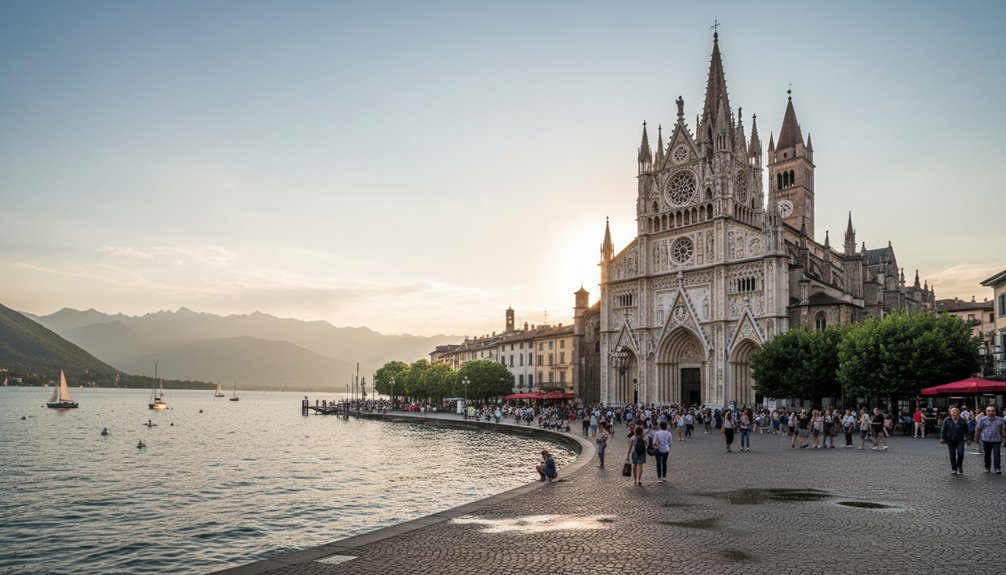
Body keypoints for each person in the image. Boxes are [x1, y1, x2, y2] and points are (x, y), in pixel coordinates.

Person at [973, 406, 1005, 474]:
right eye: (989, 411)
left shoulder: (1000, 419)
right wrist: (976, 438)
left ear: (995, 412)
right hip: (986, 440)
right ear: (986, 411)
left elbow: (1002, 429)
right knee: (987, 454)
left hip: (997, 440)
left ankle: (997, 468)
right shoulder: (982, 419)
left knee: (997, 454)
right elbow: (978, 429)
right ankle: (987, 467)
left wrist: (1005, 438)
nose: (991, 412)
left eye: (993, 411)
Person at [940, 407, 969, 474]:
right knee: (952, 455)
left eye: (957, 412)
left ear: (959, 413)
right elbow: (943, 430)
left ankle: (959, 466)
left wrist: (968, 438)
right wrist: (942, 438)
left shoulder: (962, 420)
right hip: (950, 440)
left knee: (960, 453)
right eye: (953, 412)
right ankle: (954, 469)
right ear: (950, 413)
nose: (955, 414)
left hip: (960, 440)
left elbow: (967, 430)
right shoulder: (947, 420)